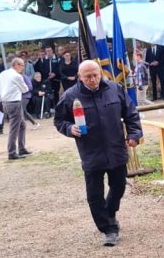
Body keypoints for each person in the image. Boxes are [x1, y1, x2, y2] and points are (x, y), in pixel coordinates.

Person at [54, 60, 143, 246]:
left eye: (95, 75)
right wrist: (70, 129)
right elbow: (59, 121)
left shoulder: (114, 88)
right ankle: (109, 229)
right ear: (80, 77)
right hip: (91, 151)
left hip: (116, 148)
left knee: (119, 186)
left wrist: (134, 134)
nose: (93, 79)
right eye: (88, 77)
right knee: (94, 195)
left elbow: (131, 114)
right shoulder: (70, 96)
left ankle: (109, 212)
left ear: (100, 72)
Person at [0, 57, 31, 160]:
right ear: (17, 65)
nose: (23, 67)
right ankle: (12, 152)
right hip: (14, 103)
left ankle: (22, 148)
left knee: (22, 125)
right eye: (22, 65)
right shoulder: (17, 76)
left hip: (5, 103)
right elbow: (25, 89)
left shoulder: (2, 74)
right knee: (14, 128)